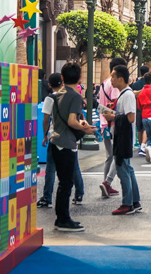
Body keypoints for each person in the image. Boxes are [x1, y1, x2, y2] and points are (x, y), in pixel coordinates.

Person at [48, 63, 93, 231]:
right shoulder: (75, 96)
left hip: (56, 140)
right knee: (67, 183)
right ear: (80, 78)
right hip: (67, 143)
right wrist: (85, 128)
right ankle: (63, 219)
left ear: (62, 78)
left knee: (63, 182)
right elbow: (71, 121)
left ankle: (62, 217)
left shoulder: (57, 94)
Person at [38, 72, 84, 208]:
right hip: (71, 137)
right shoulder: (73, 96)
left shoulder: (51, 98)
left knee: (51, 168)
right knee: (74, 166)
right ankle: (79, 193)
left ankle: (47, 197)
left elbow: (46, 119)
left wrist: (45, 135)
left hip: (56, 136)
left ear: (50, 85)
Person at [101, 64, 140, 215]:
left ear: (121, 79)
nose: (111, 79)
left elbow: (130, 118)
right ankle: (134, 201)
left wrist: (113, 116)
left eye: (113, 76)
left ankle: (127, 203)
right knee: (127, 169)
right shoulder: (124, 93)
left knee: (123, 170)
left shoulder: (128, 94)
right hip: (121, 135)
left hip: (123, 136)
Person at [95, 60, 124, 198]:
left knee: (109, 156)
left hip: (103, 123)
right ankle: (107, 182)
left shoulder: (103, 84)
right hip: (112, 123)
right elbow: (116, 103)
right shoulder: (113, 85)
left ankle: (107, 184)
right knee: (116, 156)